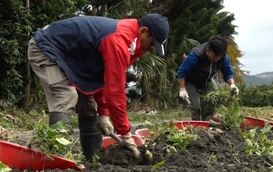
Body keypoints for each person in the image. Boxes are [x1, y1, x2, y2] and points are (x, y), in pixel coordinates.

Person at [28, 13, 170, 161]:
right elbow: (115, 90)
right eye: (152, 43)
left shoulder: (129, 41)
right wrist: (125, 134)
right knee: (66, 96)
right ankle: (54, 157)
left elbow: (102, 78)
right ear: (143, 31)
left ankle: (92, 160)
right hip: (45, 48)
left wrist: (103, 113)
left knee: (90, 106)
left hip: (72, 61)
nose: (152, 48)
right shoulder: (118, 40)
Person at [176, 35, 238, 121]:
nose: (217, 59)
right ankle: (197, 126)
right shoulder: (196, 55)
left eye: (219, 57)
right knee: (196, 105)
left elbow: (227, 71)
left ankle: (206, 122)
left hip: (206, 79)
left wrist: (232, 85)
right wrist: (182, 88)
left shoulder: (223, 57)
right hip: (190, 80)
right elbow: (182, 71)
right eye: (215, 56)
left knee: (213, 97)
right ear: (208, 50)